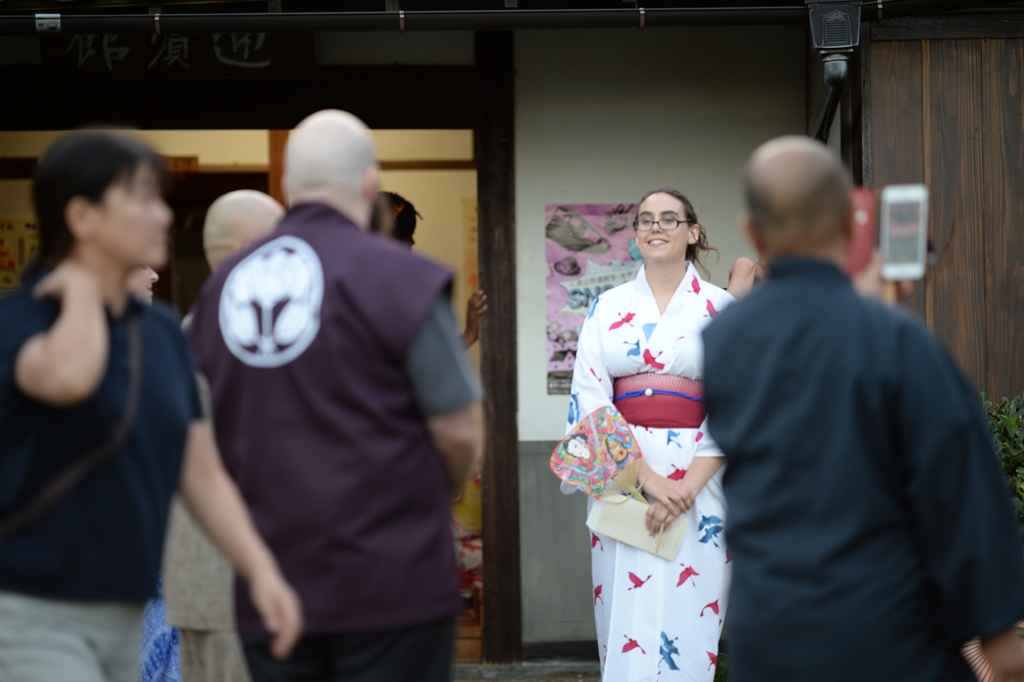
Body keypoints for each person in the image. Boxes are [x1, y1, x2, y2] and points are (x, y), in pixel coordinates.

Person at [702, 136, 1024, 682]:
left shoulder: (725, 338)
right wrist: (997, 629)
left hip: (771, 634)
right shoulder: (895, 339)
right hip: (887, 635)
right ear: (852, 226)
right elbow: (958, 484)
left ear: (753, 233)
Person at [186, 110, 483, 682]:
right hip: (390, 580)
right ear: (369, 186)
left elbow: (201, 440)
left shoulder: (225, 288)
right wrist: (430, 498)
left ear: (287, 187)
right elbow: (458, 428)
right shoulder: (398, 276)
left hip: (268, 582)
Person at [0, 132, 301, 682]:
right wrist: (86, 283)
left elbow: (202, 470)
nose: (163, 215)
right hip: (36, 610)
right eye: (141, 199)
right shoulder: (19, 324)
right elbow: (66, 376)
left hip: (125, 610)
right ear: (83, 217)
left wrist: (261, 572)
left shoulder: (163, 332)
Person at [564, 188, 740, 681]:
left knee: (692, 613)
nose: (656, 227)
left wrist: (684, 486)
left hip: (701, 479)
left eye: (669, 219)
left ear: (693, 232)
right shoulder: (607, 305)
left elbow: (737, 401)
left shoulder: (721, 307)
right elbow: (589, 401)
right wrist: (646, 478)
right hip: (625, 476)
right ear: (635, 235)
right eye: (645, 220)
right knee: (623, 611)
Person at [162, 190, 284, 682]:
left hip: (199, 576)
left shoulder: (187, 332)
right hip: (242, 577)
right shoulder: (252, 334)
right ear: (250, 246)